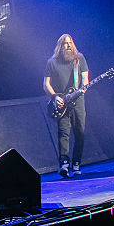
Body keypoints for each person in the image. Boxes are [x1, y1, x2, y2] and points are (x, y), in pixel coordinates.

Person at [43, 33, 89, 179]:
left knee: (79, 133)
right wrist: (55, 97)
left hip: (77, 101)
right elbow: (46, 84)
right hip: (61, 102)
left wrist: (82, 89)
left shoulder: (79, 59)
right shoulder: (52, 62)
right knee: (63, 133)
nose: (68, 45)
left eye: (70, 43)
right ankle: (64, 164)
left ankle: (76, 163)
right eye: (65, 43)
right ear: (60, 46)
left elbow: (85, 80)